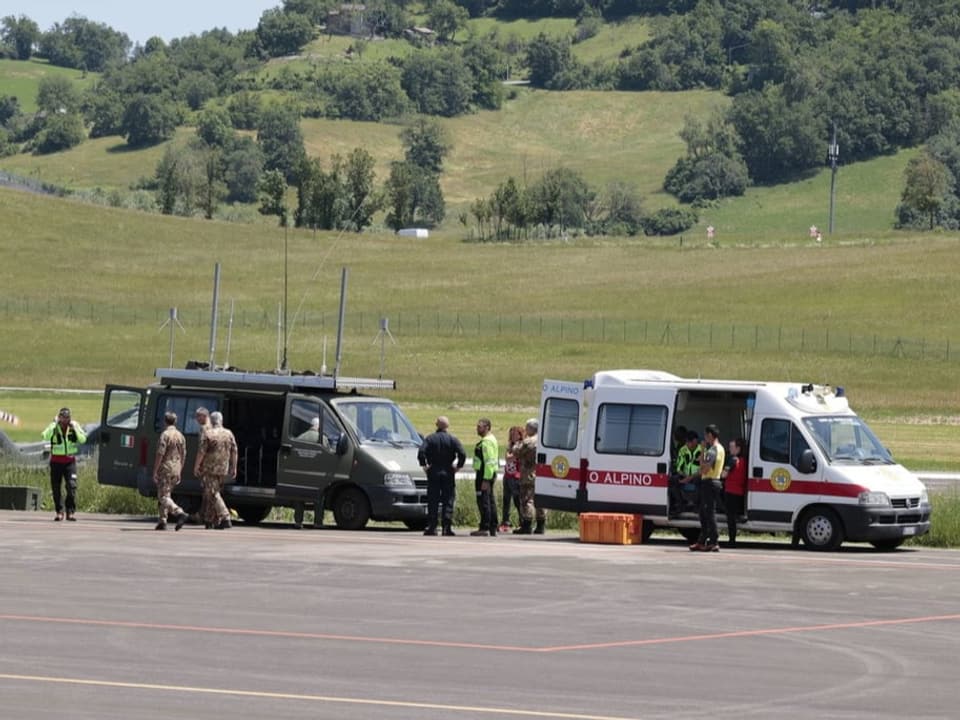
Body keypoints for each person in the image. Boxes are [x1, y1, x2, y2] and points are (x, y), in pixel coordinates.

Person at [417, 416, 466, 536]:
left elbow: (421, 452)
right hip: (448, 470)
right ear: (447, 426)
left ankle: (432, 526)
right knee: (448, 499)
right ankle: (446, 527)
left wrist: (424, 465)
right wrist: (458, 467)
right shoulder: (452, 439)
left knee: (433, 499)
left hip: (433, 470)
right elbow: (462, 453)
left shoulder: (430, 439)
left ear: (436, 425)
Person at [193, 410, 237, 530]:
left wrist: (196, 466)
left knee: (212, 493)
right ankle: (211, 519)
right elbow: (234, 451)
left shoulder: (208, 433)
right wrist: (234, 467)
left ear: (211, 421)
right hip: (223, 468)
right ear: (221, 421)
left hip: (210, 468)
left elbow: (201, 452)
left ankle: (225, 516)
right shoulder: (229, 433)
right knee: (212, 493)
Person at [41, 407, 87, 521]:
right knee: (56, 488)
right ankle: (59, 511)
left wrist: (75, 428)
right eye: (63, 417)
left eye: (67, 417)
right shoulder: (54, 426)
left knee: (71, 486)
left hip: (69, 462)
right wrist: (53, 424)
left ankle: (70, 511)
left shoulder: (74, 426)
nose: (65, 420)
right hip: (56, 462)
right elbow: (44, 436)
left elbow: (83, 439)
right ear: (59, 417)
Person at [152, 412, 190, 531]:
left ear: (165, 421)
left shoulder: (165, 435)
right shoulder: (180, 436)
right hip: (176, 467)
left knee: (163, 496)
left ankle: (179, 512)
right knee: (167, 494)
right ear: (175, 422)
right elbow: (184, 454)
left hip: (166, 468)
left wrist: (155, 470)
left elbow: (160, 453)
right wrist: (180, 469)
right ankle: (162, 521)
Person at [691, 425, 725, 552]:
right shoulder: (720, 449)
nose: (705, 438)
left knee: (708, 513)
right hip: (714, 481)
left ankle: (713, 541)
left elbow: (704, 468)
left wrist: (703, 450)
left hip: (709, 482)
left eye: (705, 435)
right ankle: (703, 540)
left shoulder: (713, 450)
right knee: (704, 512)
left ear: (710, 435)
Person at [514, 418, 546, 534]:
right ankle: (541, 525)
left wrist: (518, 441)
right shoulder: (544, 440)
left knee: (527, 500)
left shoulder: (529, 442)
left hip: (528, 474)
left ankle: (527, 525)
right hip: (541, 474)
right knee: (540, 500)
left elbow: (516, 451)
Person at [471, 418, 499, 536]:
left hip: (484, 474)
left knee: (484, 501)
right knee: (489, 500)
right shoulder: (490, 440)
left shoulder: (487, 442)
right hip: (488, 473)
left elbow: (488, 461)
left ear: (487, 427)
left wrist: (486, 479)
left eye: (480, 427)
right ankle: (493, 526)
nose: (477, 429)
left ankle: (485, 527)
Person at [498, 425, 524, 533]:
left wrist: (510, 456)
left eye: (515, 434)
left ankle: (522, 521)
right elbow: (507, 457)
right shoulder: (510, 445)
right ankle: (505, 522)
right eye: (511, 434)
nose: (512, 436)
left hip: (516, 476)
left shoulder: (521, 445)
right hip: (508, 475)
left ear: (520, 435)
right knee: (506, 500)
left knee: (517, 500)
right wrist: (510, 455)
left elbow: (512, 457)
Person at [722, 437, 747, 547]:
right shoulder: (744, 460)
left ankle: (732, 541)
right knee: (733, 517)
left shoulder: (733, 460)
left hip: (731, 492)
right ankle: (732, 539)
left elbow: (724, 475)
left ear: (738, 448)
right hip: (739, 492)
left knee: (730, 518)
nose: (729, 449)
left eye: (732, 447)